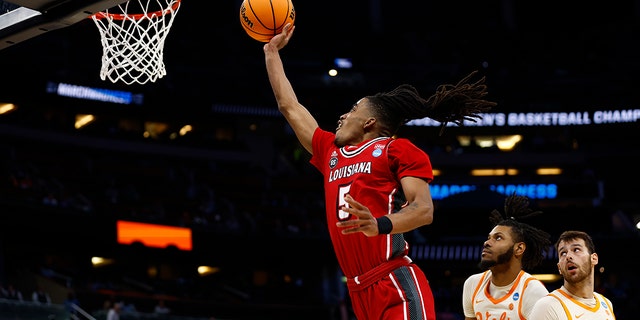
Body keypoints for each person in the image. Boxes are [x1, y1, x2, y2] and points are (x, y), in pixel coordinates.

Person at [263, 23, 496, 319]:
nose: (343, 115)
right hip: (358, 290)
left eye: (353, 108)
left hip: (394, 282)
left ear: (369, 122)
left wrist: (379, 224)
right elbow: (289, 106)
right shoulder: (330, 152)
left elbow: (424, 210)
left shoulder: (397, 150)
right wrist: (271, 52)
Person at [462, 193, 552, 320]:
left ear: (519, 249)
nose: (487, 243)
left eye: (498, 238)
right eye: (489, 238)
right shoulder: (472, 284)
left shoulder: (533, 292)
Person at [529, 230, 616, 319]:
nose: (568, 256)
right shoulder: (547, 307)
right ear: (559, 268)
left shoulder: (606, 303)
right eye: (563, 253)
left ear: (593, 259)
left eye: (576, 250)